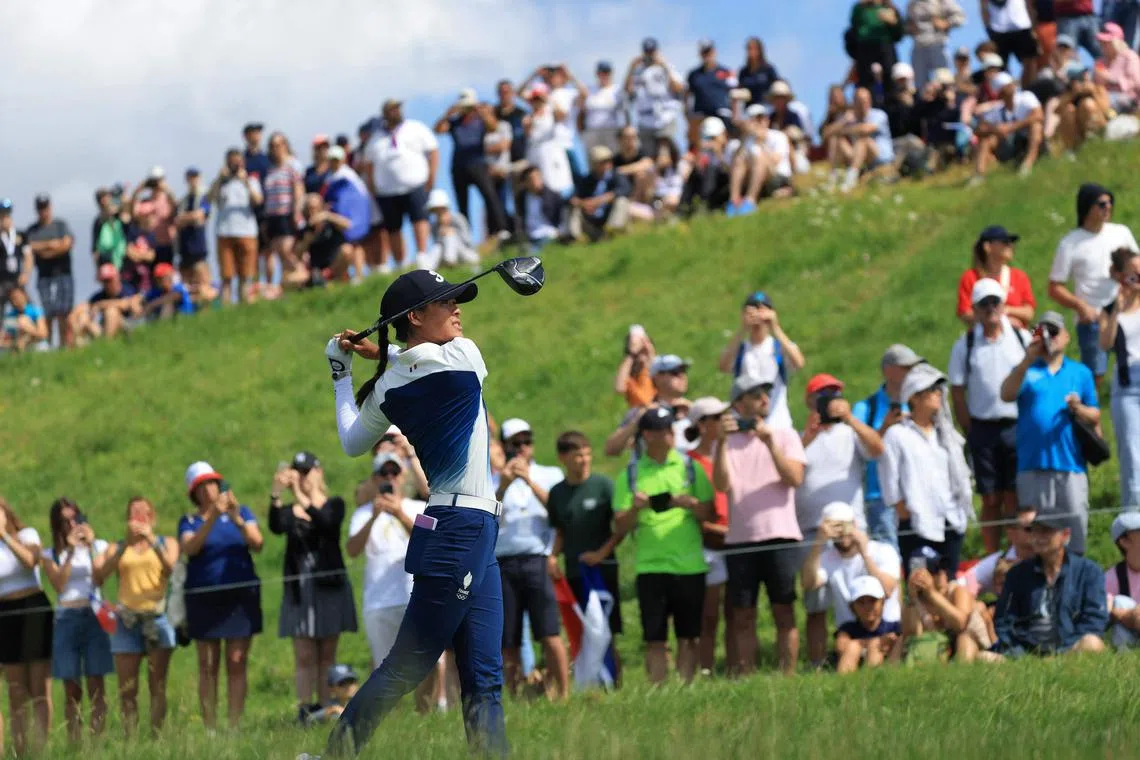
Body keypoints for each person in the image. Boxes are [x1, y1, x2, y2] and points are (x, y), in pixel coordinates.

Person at [316, 268, 508, 758]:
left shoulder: (387, 388)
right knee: (409, 663)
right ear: (416, 316)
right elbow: (421, 360)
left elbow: (352, 440)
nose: (458, 309)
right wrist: (381, 353)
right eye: (446, 302)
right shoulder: (465, 356)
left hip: (467, 528)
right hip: (460, 530)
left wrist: (342, 373)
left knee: (484, 674)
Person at [614, 406, 715, 684]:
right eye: (662, 431)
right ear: (647, 435)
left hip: (689, 565)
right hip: (651, 566)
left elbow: (709, 513)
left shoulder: (690, 467)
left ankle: (686, 687)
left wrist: (689, 504)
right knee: (655, 638)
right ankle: (658, 689)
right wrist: (636, 508)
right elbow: (620, 525)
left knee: (689, 635)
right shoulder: (631, 474)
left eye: (671, 429)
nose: (670, 435)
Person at [713, 374, 806, 675]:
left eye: (766, 393)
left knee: (784, 609)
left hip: (780, 535)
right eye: (756, 395)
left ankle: (788, 675)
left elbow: (795, 478)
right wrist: (721, 441)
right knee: (742, 614)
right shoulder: (725, 441)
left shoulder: (785, 435)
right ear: (738, 404)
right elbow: (721, 484)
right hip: (740, 539)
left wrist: (770, 443)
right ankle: (747, 675)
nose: (765, 399)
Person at [797, 374, 886, 663]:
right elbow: (789, 471)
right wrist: (809, 435)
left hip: (851, 527)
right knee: (816, 602)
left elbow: (877, 449)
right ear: (809, 401)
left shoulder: (850, 432)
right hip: (813, 528)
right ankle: (817, 662)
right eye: (821, 395)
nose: (829, 400)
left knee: (864, 596)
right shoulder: (800, 436)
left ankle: (864, 657)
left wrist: (850, 419)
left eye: (834, 394)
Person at [347, 453, 444, 713]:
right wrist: (373, 517)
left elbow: (429, 542)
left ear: (404, 476)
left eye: (394, 472)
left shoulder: (419, 508)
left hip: (415, 598)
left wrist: (399, 513)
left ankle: (423, 716)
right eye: (383, 473)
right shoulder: (362, 513)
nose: (389, 478)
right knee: (386, 670)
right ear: (374, 479)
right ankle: (395, 721)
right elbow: (352, 549)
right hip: (378, 603)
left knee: (429, 661)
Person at [1001, 311, 1100, 554]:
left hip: (1070, 465)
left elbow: (1095, 415)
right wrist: (1027, 358)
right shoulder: (1027, 371)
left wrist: (1078, 408)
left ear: (1066, 337)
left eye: (1054, 332)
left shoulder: (1080, 373)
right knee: (1036, 535)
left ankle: (1074, 575)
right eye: (1043, 332)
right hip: (1032, 466)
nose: (1049, 338)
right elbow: (1006, 394)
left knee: (1074, 532)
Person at [270, 452, 358, 721]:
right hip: (300, 588)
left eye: (306, 472)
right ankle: (304, 709)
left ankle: (326, 706)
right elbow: (275, 525)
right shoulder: (291, 511)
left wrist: (299, 494)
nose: (302, 477)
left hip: (329, 586)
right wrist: (276, 494)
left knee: (327, 653)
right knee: (304, 654)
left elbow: (326, 524)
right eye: (298, 472)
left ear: (319, 472)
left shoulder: (334, 504)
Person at [179, 461, 264, 730]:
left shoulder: (242, 513)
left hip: (240, 598)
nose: (208, 490)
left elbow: (257, 543)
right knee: (208, 664)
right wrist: (212, 518)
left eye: (212, 483)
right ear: (194, 492)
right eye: (201, 486)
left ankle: (234, 726)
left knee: (237, 661)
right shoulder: (190, 521)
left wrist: (236, 518)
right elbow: (190, 548)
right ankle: (211, 728)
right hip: (204, 599)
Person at [948, 279, 1031, 553]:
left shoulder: (1020, 336)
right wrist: (968, 427)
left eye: (995, 302)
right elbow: (957, 389)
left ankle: (1016, 552)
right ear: (975, 309)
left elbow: (1037, 363)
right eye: (984, 304)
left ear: (1003, 304)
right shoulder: (966, 344)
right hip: (982, 427)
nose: (991, 308)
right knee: (991, 497)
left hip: (1017, 425)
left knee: (1014, 495)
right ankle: (993, 555)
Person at [493, 418, 569, 700]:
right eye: (515, 443)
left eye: (526, 441)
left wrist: (529, 481)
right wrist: (503, 486)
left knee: (549, 632)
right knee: (508, 638)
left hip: (537, 559)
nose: (522, 448)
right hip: (503, 562)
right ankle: (513, 696)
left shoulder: (549, 474)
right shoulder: (491, 479)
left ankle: (563, 694)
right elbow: (486, 519)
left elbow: (560, 512)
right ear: (504, 446)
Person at [93, 497, 179, 737]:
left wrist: (151, 540)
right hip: (126, 621)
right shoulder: (117, 547)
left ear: (152, 518)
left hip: (156, 619)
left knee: (157, 685)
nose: (139, 518)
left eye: (144, 513)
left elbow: (171, 568)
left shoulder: (167, 543)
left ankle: (157, 738)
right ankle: (130, 740)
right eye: (134, 514)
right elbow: (100, 575)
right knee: (127, 689)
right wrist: (124, 546)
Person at [879, 363, 973, 575]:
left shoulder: (946, 435)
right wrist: (905, 514)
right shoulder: (897, 435)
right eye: (932, 389)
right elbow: (889, 480)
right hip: (917, 524)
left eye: (939, 389)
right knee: (920, 585)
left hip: (951, 520)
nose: (938, 394)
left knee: (948, 583)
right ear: (914, 397)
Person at [546, 431, 624, 683]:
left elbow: (620, 528)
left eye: (588, 454)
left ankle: (615, 683)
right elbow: (560, 531)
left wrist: (601, 554)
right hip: (574, 573)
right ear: (563, 458)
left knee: (607, 630)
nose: (585, 460)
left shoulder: (604, 486)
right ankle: (588, 685)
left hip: (603, 571)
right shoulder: (557, 493)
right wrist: (552, 556)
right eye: (578, 455)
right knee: (581, 630)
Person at [1049, 183, 1139, 383]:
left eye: (1110, 202)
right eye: (1101, 204)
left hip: (1126, 312)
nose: (1108, 207)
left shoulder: (1121, 232)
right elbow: (1055, 288)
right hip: (1094, 318)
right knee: (1095, 376)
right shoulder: (1070, 243)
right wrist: (1081, 307)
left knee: (1135, 366)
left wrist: (1123, 278)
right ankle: (1091, 402)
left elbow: (1137, 265)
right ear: (1086, 207)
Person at [42, 498, 112, 743]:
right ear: (57, 525)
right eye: (66, 521)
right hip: (66, 617)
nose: (73, 525)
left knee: (96, 682)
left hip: (94, 614)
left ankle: (98, 742)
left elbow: (100, 578)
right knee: (71, 687)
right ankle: (74, 742)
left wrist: (90, 546)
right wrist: (71, 552)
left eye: (76, 518)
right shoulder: (51, 554)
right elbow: (59, 585)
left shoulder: (99, 546)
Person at [993, 515, 1108, 656]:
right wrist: (1019, 652)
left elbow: (1095, 620)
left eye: (1046, 531)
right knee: (984, 657)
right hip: (1024, 650)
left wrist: (1062, 651)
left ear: (1065, 535)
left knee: (1092, 643)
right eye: (1034, 531)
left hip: (1069, 648)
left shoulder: (1089, 571)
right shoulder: (1017, 573)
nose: (1038, 537)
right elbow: (1003, 619)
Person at [681, 399, 735, 676]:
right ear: (701, 425)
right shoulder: (688, 463)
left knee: (737, 612)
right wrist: (715, 529)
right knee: (709, 614)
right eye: (716, 417)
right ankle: (706, 668)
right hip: (708, 543)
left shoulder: (732, 453)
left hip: (737, 539)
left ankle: (737, 669)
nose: (724, 420)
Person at [852, 344, 923, 549]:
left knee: (918, 558)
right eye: (906, 367)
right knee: (887, 557)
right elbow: (860, 452)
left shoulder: (919, 404)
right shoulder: (865, 409)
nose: (912, 372)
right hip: (879, 497)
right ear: (888, 370)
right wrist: (884, 427)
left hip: (916, 494)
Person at [0, 498, 52, 756]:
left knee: (39, 689)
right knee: (16, 691)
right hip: (5, 614)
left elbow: (31, 561)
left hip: (33, 609)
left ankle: (40, 752)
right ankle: (20, 752)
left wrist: (4, 536)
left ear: (5, 513)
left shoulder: (26, 535)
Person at [364, 100, 440, 266]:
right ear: (385, 114)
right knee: (393, 228)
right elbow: (368, 164)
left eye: (397, 109)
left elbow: (433, 151)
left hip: (416, 184)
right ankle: (400, 262)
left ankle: (421, 255)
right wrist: (372, 186)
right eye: (392, 109)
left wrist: (432, 176)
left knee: (419, 219)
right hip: (386, 191)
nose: (396, 112)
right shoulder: (375, 138)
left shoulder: (416, 128)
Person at [717, 290, 805, 430]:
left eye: (762, 309)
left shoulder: (778, 346)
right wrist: (743, 329)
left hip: (777, 424)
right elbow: (723, 365)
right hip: (746, 425)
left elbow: (799, 362)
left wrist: (775, 327)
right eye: (752, 309)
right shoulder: (740, 349)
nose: (758, 314)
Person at [435, 90, 510, 244]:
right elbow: (438, 129)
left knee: (490, 196)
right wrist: (448, 114)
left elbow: (493, 127)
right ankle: (466, 237)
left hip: (478, 164)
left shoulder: (480, 120)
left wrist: (481, 112)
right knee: (462, 204)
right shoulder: (455, 122)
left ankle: (501, 230)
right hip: (458, 166)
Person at [902, 546, 996, 661]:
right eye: (935, 569)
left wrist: (932, 594)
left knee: (964, 638)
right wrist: (914, 599)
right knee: (900, 643)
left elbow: (961, 624)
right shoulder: (916, 601)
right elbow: (912, 637)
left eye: (943, 566)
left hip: (974, 647)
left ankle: (962, 670)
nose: (942, 572)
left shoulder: (957, 591)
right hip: (941, 651)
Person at [1101, 248, 1140, 508]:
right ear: (1120, 275)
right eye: (1133, 273)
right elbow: (1105, 343)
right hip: (1128, 388)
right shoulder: (1109, 309)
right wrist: (1117, 308)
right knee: (1132, 455)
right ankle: (1133, 515)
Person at [209, 148, 264, 304]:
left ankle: (244, 305)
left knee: (245, 275)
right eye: (231, 162)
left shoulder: (251, 180)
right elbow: (209, 198)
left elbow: (258, 200)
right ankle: (226, 306)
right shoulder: (221, 183)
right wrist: (219, 179)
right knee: (226, 276)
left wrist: (245, 181)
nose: (234, 165)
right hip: (224, 232)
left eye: (237, 162)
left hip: (247, 232)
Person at [956, 225, 1037, 328]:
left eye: (1011, 243)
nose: (1010, 246)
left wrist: (1006, 310)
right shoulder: (971, 277)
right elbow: (965, 314)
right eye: (1005, 242)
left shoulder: (1019, 276)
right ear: (987, 247)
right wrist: (1002, 321)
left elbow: (1029, 313)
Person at [971, 72, 1045, 182]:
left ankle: (1027, 165)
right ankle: (979, 175)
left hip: (1029, 141)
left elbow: (1039, 115)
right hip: (1010, 148)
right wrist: (996, 129)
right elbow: (979, 129)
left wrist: (1010, 127)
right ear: (1000, 93)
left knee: (1036, 126)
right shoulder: (997, 110)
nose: (1011, 88)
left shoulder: (1026, 97)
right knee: (986, 139)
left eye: (1010, 85)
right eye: (1006, 87)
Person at [25, 193, 75, 347]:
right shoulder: (32, 230)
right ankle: (49, 345)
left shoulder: (61, 225)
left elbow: (67, 244)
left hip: (63, 274)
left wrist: (44, 251)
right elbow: (29, 247)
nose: (43, 211)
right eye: (40, 208)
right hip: (44, 276)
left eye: (45, 207)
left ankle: (64, 346)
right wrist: (51, 245)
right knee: (48, 311)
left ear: (50, 207)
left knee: (63, 312)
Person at [826, 87, 896, 193]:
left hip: (881, 158)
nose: (863, 104)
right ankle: (832, 177)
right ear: (854, 103)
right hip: (861, 158)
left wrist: (845, 129)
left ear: (870, 101)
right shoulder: (851, 119)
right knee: (837, 140)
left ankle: (850, 180)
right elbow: (827, 134)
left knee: (863, 140)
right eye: (859, 101)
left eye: (865, 100)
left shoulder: (879, 114)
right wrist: (843, 120)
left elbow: (866, 129)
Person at [624, 38, 685, 149]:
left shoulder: (667, 67)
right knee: (647, 156)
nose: (650, 55)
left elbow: (678, 88)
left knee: (664, 154)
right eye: (647, 52)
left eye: (652, 52)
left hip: (665, 117)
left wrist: (665, 67)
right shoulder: (637, 70)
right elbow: (627, 91)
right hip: (645, 120)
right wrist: (631, 68)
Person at [263, 132, 305, 286]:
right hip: (273, 215)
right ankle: (288, 284)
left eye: (278, 145)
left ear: (285, 145)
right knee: (278, 251)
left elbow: (298, 189)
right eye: (272, 146)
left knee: (288, 250)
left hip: (287, 213)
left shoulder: (293, 165)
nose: (276, 149)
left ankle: (303, 277)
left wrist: (297, 211)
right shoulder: (271, 170)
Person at [835, 576, 901, 673]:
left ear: (883, 602)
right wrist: (874, 642)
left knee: (876, 645)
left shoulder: (894, 627)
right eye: (861, 602)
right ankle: (845, 679)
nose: (867, 607)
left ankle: (873, 677)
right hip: (854, 662)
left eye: (872, 601)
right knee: (855, 646)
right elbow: (841, 646)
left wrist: (891, 641)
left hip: (887, 667)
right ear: (852, 607)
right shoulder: (847, 629)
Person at [568, 146, 632, 243]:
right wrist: (584, 204)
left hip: (609, 217)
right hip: (592, 221)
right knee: (573, 209)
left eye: (608, 161)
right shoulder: (586, 180)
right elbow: (572, 198)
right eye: (603, 162)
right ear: (594, 163)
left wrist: (601, 200)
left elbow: (625, 189)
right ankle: (575, 237)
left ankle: (614, 230)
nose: (607, 164)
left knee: (622, 201)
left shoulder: (616, 175)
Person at [686, 39, 737, 147]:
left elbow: (735, 94)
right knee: (698, 145)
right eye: (704, 52)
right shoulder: (693, 75)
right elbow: (687, 95)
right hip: (701, 116)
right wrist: (688, 116)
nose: (707, 55)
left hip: (722, 115)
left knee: (724, 144)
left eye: (709, 51)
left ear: (714, 51)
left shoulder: (726, 72)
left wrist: (734, 116)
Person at [848, 0, 905, 97]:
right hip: (865, 47)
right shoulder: (860, 8)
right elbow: (853, 28)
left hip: (885, 46)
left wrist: (894, 22)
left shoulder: (890, 8)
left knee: (889, 76)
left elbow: (899, 34)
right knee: (866, 78)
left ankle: (891, 99)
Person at [905, 0, 966, 87]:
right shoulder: (912, 4)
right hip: (918, 47)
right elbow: (906, 25)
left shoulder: (941, 1)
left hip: (937, 45)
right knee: (920, 84)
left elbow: (961, 17)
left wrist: (946, 23)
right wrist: (909, 28)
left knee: (944, 81)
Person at [175, 167, 212, 294]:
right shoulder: (183, 201)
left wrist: (185, 218)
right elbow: (177, 221)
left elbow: (200, 215)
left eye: (195, 178)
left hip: (198, 248)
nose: (192, 181)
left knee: (203, 284)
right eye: (190, 178)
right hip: (184, 248)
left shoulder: (204, 197)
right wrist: (190, 218)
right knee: (186, 287)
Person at [422, 189, 479, 271]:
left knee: (449, 236)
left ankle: (449, 260)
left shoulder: (458, 218)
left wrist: (452, 232)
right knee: (438, 247)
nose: (437, 212)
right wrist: (442, 233)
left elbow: (467, 241)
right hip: (443, 255)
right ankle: (427, 269)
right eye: (435, 210)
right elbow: (437, 244)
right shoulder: (434, 226)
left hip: (465, 253)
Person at [580, 61, 626, 155]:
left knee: (613, 157)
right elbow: (582, 110)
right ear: (597, 74)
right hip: (592, 130)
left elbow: (625, 111)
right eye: (601, 72)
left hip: (611, 130)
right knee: (593, 157)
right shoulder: (589, 89)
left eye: (607, 72)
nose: (604, 75)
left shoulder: (617, 90)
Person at [614, 324, 657, 408]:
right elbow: (619, 388)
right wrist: (631, 354)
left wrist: (649, 351)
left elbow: (657, 370)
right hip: (640, 413)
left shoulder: (655, 371)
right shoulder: (629, 375)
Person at [0, 198, 32, 306]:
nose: (5, 219)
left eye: (7, 215)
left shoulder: (21, 235)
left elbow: (28, 256)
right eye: (2, 216)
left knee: (26, 306)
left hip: (17, 279)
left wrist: (26, 274)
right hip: (1, 280)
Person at [2, 285, 49, 353]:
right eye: (12, 298)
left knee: (23, 320)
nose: (15, 301)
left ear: (24, 295)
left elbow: (44, 334)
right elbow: (4, 338)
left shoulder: (35, 310)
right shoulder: (10, 316)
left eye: (17, 297)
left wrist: (28, 328)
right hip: (16, 345)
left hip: (36, 344)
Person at [738, 37, 781, 104]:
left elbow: (777, 85)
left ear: (760, 50)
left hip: (766, 105)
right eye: (749, 48)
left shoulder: (768, 69)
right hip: (749, 107)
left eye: (754, 48)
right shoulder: (743, 72)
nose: (752, 51)